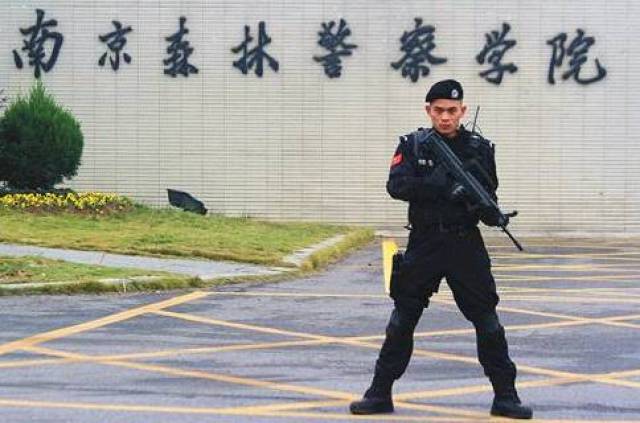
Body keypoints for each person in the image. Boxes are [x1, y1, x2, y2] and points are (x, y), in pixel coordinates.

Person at [349, 79, 533, 419]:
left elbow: (489, 193)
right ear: (428, 111)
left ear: (462, 110)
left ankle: (506, 396)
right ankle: (379, 393)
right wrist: (434, 188)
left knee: (487, 320)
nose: (445, 117)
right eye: (438, 111)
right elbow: (396, 186)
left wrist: (491, 214)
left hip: (464, 242)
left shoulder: (480, 148)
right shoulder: (415, 144)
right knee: (402, 318)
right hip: (425, 241)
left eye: (451, 111)